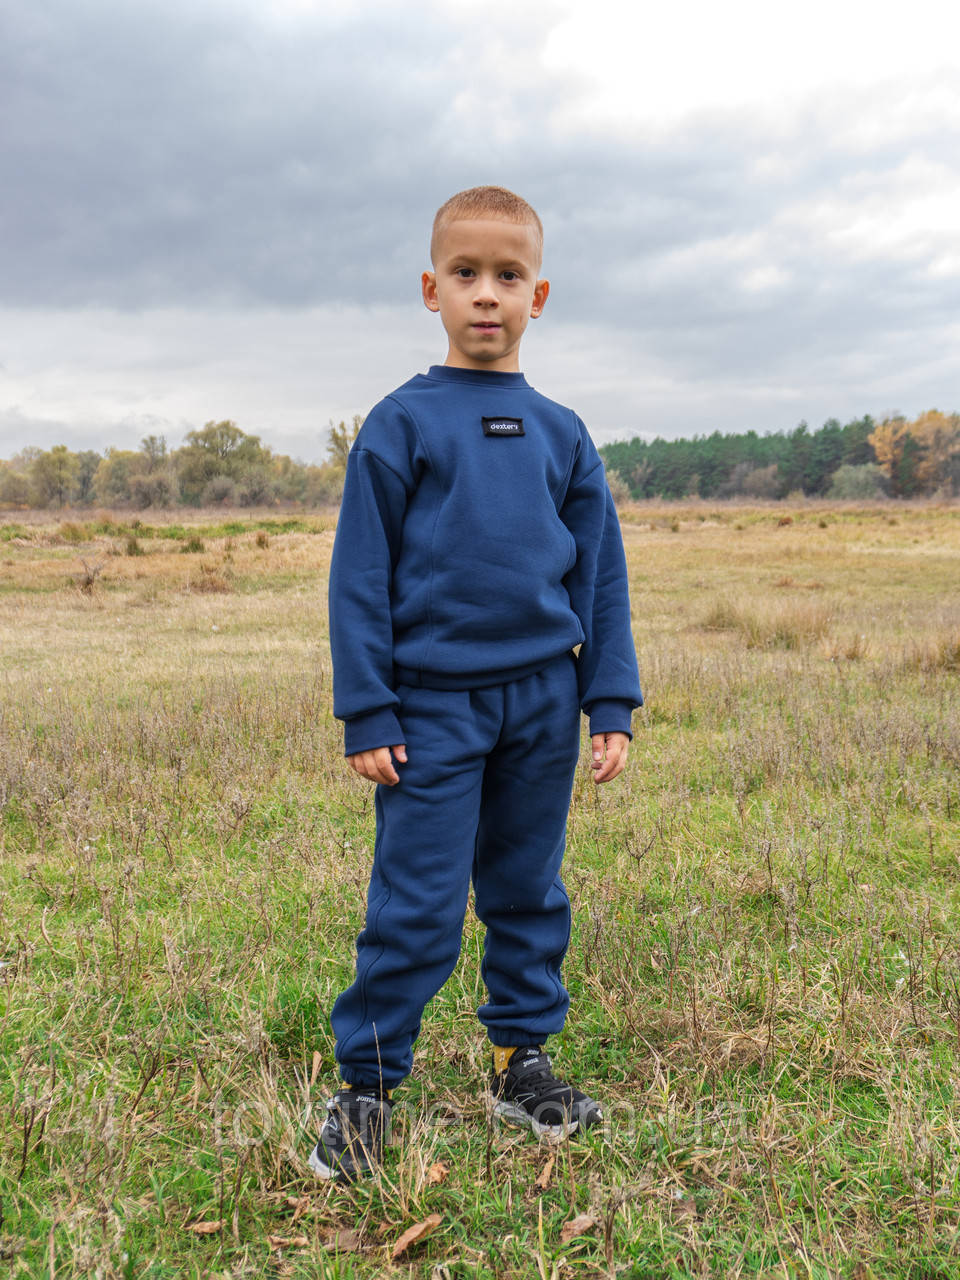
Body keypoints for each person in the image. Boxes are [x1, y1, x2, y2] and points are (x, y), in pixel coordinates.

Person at [309, 185, 643, 1182]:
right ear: (430, 289)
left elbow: (601, 574)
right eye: (466, 274)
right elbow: (358, 578)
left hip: (542, 699)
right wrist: (367, 706)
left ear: (540, 295)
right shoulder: (401, 425)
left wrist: (609, 699)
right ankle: (366, 1086)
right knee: (414, 901)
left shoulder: (562, 433)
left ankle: (519, 1060)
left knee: (528, 888)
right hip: (431, 710)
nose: (486, 295)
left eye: (507, 276)